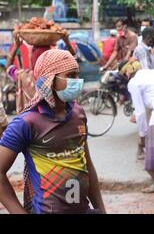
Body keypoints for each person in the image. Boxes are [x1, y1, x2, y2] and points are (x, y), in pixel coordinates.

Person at [0, 50, 105, 214]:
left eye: (77, 75)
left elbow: (88, 165)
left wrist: (101, 209)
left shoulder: (78, 113)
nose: (77, 81)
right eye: (71, 75)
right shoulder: (27, 123)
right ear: (50, 80)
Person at [125, 59, 154, 193]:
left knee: (153, 148)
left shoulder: (133, 83)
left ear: (127, 74)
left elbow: (140, 113)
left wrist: (143, 137)